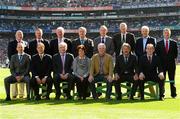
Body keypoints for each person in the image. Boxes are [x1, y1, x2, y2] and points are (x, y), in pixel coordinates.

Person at [156, 28, 178, 98]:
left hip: (171, 64)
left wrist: (170, 59)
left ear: (170, 33)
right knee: (162, 80)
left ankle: (173, 94)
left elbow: (176, 54)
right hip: (162, 65)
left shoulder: (174, 43)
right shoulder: (159, 43)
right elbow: (158, 54)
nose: (166, 34)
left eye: (168, 33)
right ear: (163, 34)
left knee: (172, 79)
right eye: (165, 33)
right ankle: (162, 94)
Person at [135, 26, 156, 96]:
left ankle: (152, 94)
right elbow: (136, 50)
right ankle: (139, 94)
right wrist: (142, 57)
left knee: (148, 77)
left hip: (149, 61)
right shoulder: (138, 40)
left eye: (146, 31)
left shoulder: (153, 39)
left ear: (148, 31)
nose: (144, 32)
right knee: (140, 76)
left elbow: (154, 50)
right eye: (143, 31)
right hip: (140, 61)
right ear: (141, 32)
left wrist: (147, 56)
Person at [7, 30, 28, 99]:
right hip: (14, 65)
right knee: (14, 77)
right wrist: (15, 63)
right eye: (18, 34)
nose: (19, 35)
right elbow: (9, 55)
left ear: (22, 36)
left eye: (21, 34)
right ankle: (14, 94)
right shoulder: (11, 43)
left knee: (22, 77)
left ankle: (21, 94)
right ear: (15, 35)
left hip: (23, 66)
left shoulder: (26, 43)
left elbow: (27, 55)